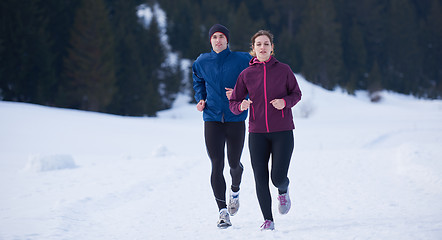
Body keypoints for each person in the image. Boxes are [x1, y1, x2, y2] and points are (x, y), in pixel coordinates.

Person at [229, 30, 302, 230]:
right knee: (260, 177)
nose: (263, 47)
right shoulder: (246, 75)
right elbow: (234, 102)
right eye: (259, 44)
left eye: (266, 44)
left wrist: (285, 102)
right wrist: (241, 106)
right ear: (253, 49)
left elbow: (297, 93)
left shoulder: (284, 70)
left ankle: (283, 189)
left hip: (283, 131)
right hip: (257, 133)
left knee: (277, 177)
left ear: (272, 48)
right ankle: (268, 219)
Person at [192, 23, 252, 228]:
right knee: (217, 164)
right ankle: (222, 211)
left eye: (221, 37)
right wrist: (200, 99)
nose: (218, 40)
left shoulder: (242, 59)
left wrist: (241, 94)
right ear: (210, 40)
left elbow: (256, 80)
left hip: (235, 118)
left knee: (234, 163)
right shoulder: (202, 61)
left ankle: (235, 190)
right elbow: (198, 81)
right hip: (212, 118)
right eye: (214, 37)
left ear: (227, 40)